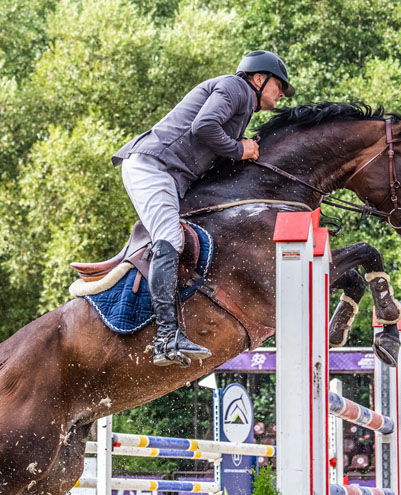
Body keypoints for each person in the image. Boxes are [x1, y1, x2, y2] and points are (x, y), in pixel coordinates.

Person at [112, 51, 295, 367]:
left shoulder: (241, 105)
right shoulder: (234, 88)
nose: (281, 93)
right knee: (171, 238)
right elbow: (204, 127)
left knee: (181, 238)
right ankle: (166, 338)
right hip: (153, 167)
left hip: (168, 174)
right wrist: (241, 149)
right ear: (257, 77)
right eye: (279, 84)